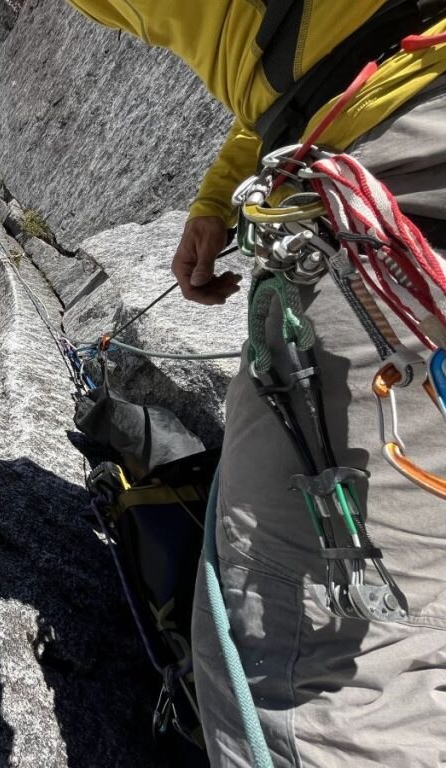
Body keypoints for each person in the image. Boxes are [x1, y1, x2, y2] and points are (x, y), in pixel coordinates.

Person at [66, 1, 446, 766]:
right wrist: (216, 199)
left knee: (310, 694)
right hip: (390, 124)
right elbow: (308, 75)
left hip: (400, 185)